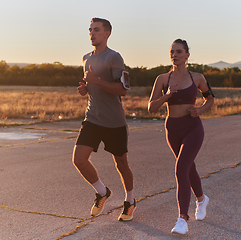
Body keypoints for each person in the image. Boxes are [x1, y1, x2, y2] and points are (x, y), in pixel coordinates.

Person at [148, 39, 215, 234]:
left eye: (178, 52)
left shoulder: (197, 78)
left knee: (180, 169)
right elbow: (151, 107)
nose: (174, 55)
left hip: (193, 127)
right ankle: (202, 200)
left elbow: (210, 98)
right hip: (172, 129)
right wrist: (167, 96)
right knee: (188, 167)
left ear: (187, 55)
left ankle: (182, 219)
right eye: (172, 52)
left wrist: (201, 109)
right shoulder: (162, 79)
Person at [72, 17, 136, 222]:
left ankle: (130, 200)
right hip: (92, 118)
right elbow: (91, 85)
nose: (92, 33)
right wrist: (85, 88)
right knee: (79, 159)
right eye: (90, 30)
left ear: (107, 33)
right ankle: (102, 192)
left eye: (96, 30)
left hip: (114, 121)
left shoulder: (114, 58)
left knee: (121, 164)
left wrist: (97, 81)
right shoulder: (85, 58)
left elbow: (123, 90)